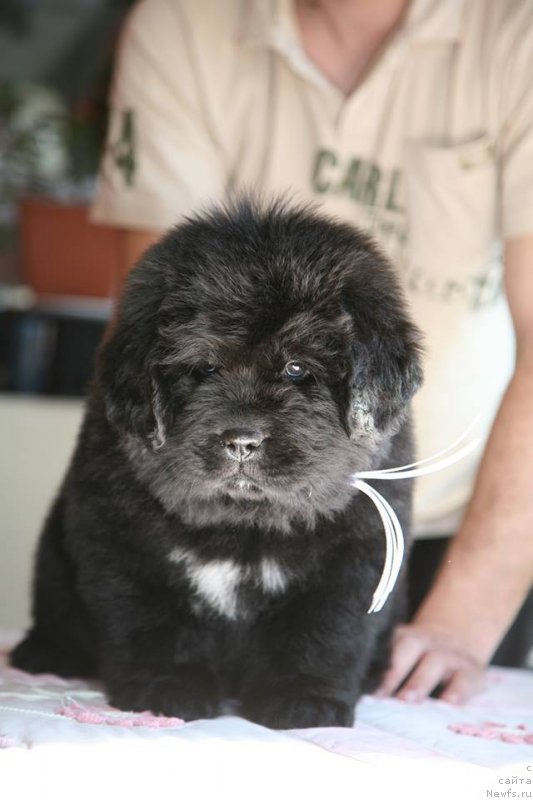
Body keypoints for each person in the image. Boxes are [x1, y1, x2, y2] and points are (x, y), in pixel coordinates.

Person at [91, 0, 533, 703]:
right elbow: (155, 328)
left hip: (458, 529)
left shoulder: (515, 32)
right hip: (204, 515)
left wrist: (459, 621)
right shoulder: (183, 20)